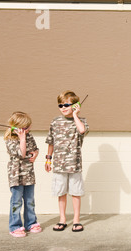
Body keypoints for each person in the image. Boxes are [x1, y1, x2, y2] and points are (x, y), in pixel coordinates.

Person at [45, 91, 89, 232]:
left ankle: (76, 220)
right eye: (60, 105)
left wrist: (75, 115)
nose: (63, 107)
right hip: (59, 164)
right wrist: (48, 159)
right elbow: (50, 141)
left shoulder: (81, 121)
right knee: (61, 192)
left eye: (66, 105)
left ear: (75, 105)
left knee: (75, 192)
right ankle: (62, 219)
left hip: (74, 164)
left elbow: (82, 131)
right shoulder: (55, 121)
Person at [4, 111, 41, 237]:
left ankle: (31, 223)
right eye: (26, 128)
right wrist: (22, 138)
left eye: (29, 127)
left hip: (29, 173)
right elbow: (22, 154)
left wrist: (35, 154)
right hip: (17, 175)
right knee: (16, 201)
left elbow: (35, 148)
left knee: (30, 200)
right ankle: (15, 226)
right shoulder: (10, 139)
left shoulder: (29, 135)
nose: (28, 129)